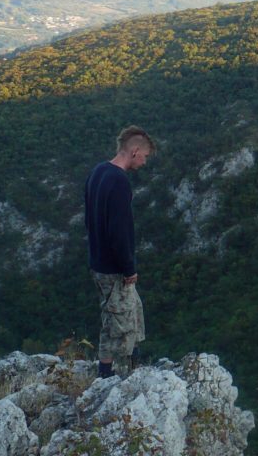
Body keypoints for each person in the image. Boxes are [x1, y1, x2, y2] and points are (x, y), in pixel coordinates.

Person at [85, 126, 155, 378]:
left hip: (99, 259)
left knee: (132, 310)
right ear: (134, 151)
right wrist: (129, 268)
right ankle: (108, 375)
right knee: (116, 321)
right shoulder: (119, 181)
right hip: (112, 266)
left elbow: (89, 220)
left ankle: (136, 365)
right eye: (145, 156)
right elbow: (119, 231)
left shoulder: (98, 172)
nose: (145, 162)